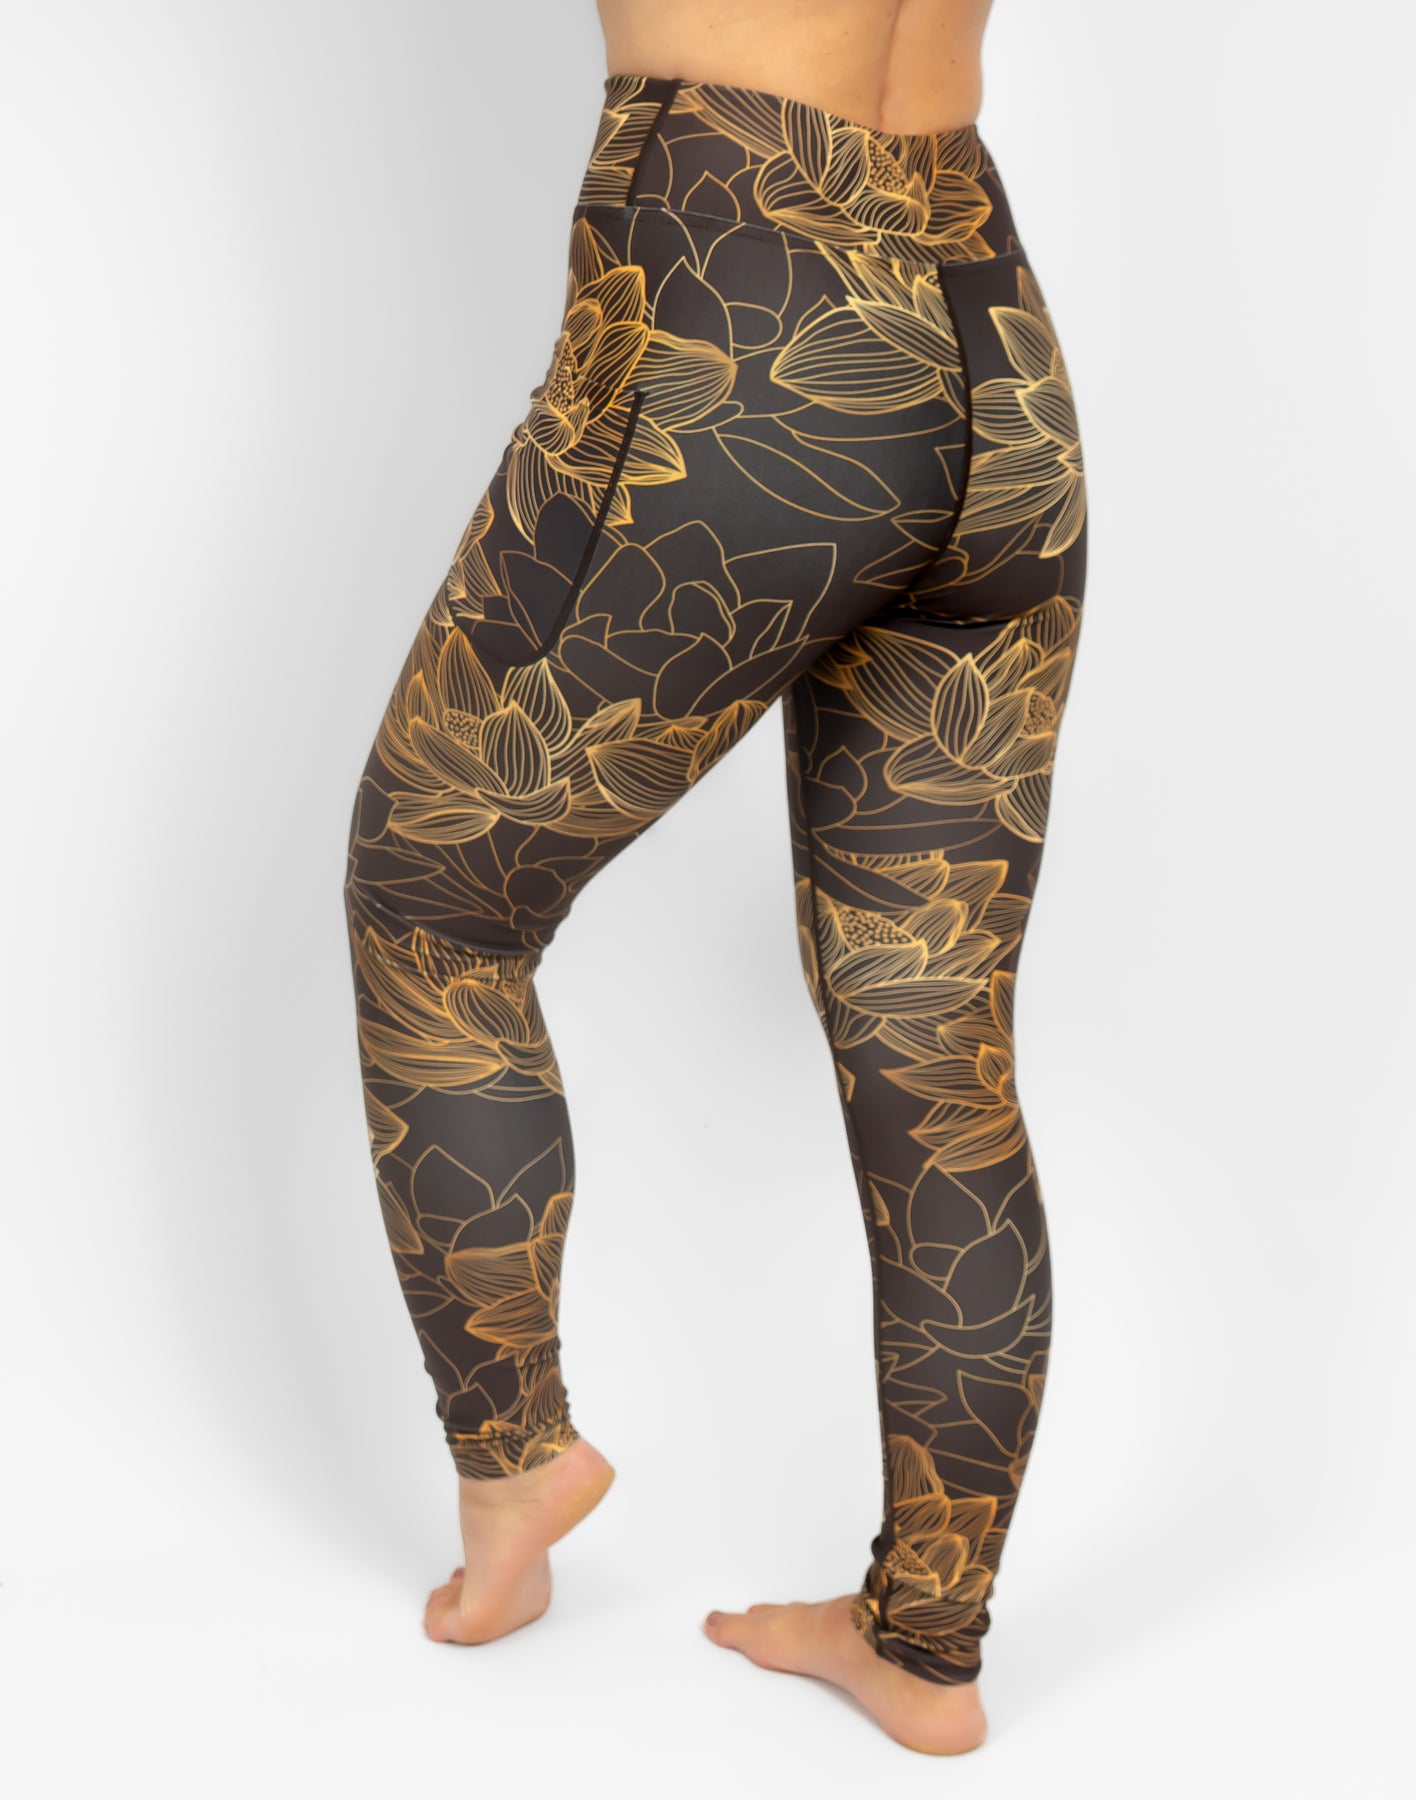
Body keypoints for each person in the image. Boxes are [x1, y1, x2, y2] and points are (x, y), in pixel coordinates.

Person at [341, 0, 1085, 1756]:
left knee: (434, 910)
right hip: (992, 337)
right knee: (934, 1045)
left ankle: (515, 1463)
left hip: (750, 310)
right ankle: (928, 1643)